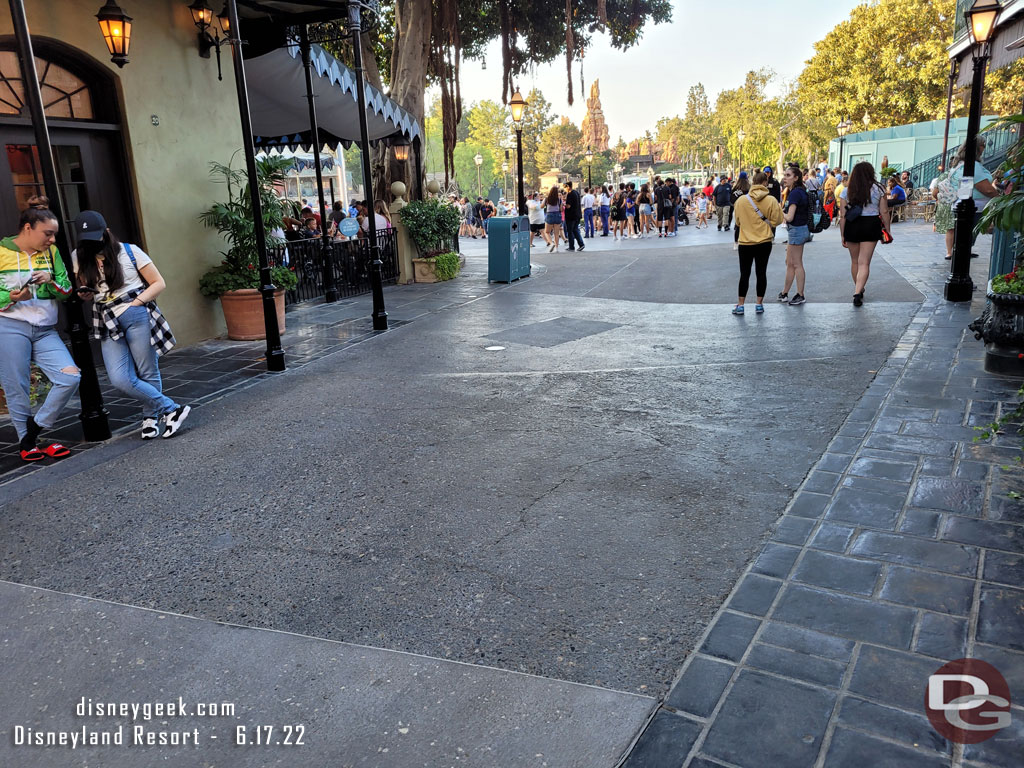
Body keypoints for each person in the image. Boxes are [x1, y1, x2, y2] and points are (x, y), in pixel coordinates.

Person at [71, 210, 189, 440]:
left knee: (147, 370)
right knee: (119, 378)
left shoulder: (129, 251)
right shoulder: (79, 256)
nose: (93, 243)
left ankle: (150, 418)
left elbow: (158, 283)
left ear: (106, 232)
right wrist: (85, 295)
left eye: (97, 236)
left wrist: (136, 303)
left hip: (135, 314)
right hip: (106, 319)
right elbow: (88, 288)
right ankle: (172, 408)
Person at [0, 196, 80, 461]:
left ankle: (34, 432)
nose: (52, 240)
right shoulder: (1, 251)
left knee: (70, 377)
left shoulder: (52, 253)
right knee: (17, 386)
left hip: (45, 329)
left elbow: (66, 289)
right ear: (28, 228)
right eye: (48, 234)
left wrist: (48, 281)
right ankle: (30, 443)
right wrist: (10, 298)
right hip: (10, 326)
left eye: (54, 235)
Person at [930, 136, 999, 260]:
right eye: (983, 144)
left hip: (962, 204)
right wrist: (999, 197)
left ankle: (958, 255)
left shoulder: (959, 165)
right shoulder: (972, 166)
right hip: (973, 207)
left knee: (963, 237)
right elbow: (986, 188)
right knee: (966, 237)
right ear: (977, 148)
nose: (985, 147)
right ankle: (959, 258)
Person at [732, 170, 784, 315]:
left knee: (744, 274)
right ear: (765, 183)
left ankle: (741, 304)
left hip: (745, 242)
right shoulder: (771, 200)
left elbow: (737, 222)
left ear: (752, 182)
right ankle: (759, 303)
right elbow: (778, 220)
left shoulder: (741, 200)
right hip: (764, 241)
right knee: (761, 272)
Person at [840, 161, 890, 306]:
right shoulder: (879, 189)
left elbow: (843, 215)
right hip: (870, 224)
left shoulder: (847, 190)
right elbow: (884, 211)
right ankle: (857, 291)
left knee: (855, 261)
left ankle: (859, 290)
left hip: (852, 224)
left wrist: (842, 234)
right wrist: (887, 229)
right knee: (864, 262)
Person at [779, 164, 809, 306]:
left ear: (796, 178)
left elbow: (789, 217)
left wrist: (777, 212)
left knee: (796, 264)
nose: (785, 178)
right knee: (790, 263)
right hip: (798, 229)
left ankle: (800, 294)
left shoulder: (795, 193)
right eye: (785, 175)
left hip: (796, 229)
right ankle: (785, 292)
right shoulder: (800, 191)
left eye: (788, 175)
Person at [563, 181, 585, 252]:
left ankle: (571, 246)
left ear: (568, 187)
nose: (565, 190)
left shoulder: (570, 194)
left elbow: (568, 206)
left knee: (570, 231)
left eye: (565, 188)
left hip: (571, 215)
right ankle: (581, 244)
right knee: (575, 229)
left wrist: (564, 205)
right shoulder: (576, 193)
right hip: (577, 214)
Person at [731, 172, 751, 244]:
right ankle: (747, 239)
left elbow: (731, 199)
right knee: (748, 224)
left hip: (737, 208)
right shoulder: (749, 187)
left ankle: (736, 242)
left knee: (738, 225)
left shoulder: (735, 188)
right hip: (748, 208)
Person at [544, 186, 563, 252]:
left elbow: (541, 206)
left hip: (549, 215)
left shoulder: (547, 198)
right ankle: (556, 248)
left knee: (547, 232)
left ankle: (551, 243)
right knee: (556, 233)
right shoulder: (559, 199)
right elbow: (561, 209)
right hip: (557, 215)